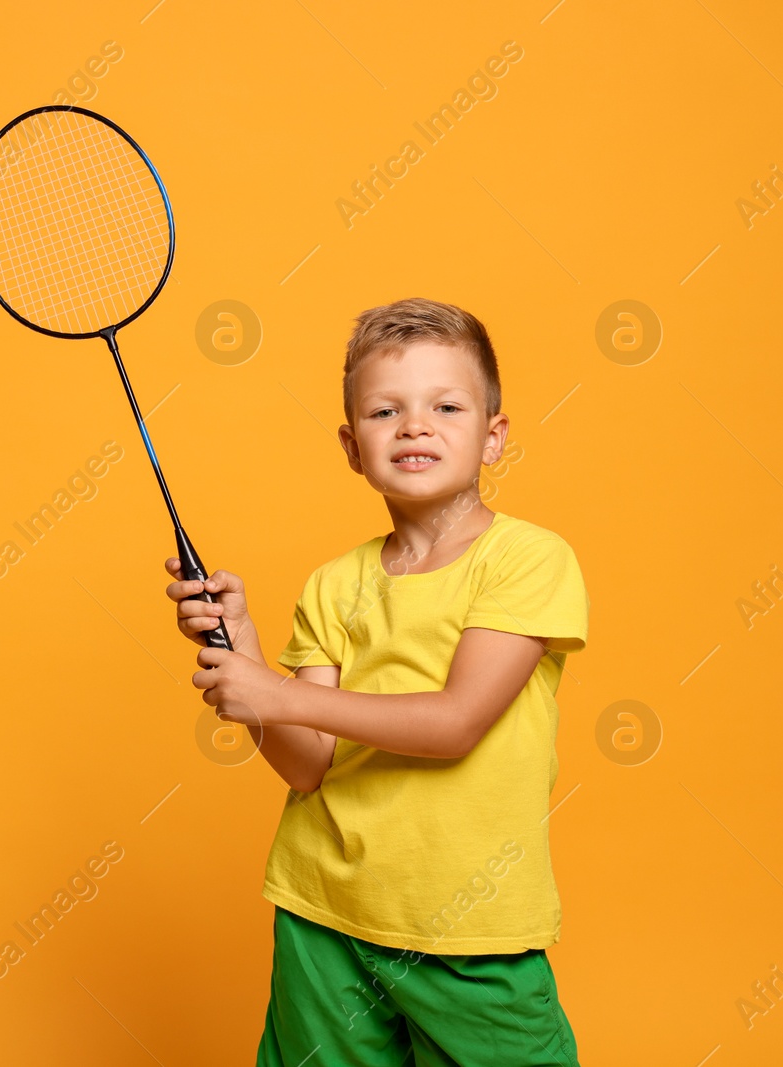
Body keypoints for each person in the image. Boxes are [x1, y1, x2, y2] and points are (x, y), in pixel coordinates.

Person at [164, 297, 587, 1065]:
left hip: (471, 930)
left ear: (494, 437)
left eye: (446, 406)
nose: (415, 425)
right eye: (385, 410)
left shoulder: (530, 560)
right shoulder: (332, 585)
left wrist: (278, 691)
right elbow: (307, 761)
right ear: (353, 446)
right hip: (324, 914)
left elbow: (457, 721)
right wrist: (246, 650)